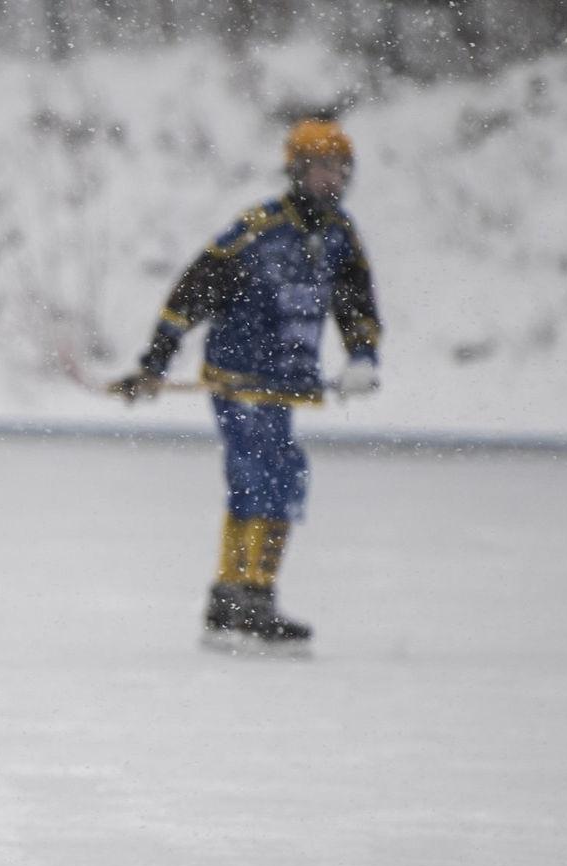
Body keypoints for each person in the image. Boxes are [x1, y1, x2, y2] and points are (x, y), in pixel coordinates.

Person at [109, 118, 383, 648]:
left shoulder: (339, 236)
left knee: (279, 476)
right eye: (323, 167)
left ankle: (236, 596)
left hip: (287, 382)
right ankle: (247, 597)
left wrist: (363, 357)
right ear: (298, 169)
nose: (332, 179)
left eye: (340, 168)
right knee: (262, 475)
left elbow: (357, 304)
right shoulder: (257, 229)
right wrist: (156, 361)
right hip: (237, 377)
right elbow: (191, 293)